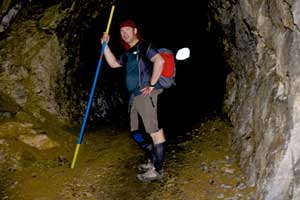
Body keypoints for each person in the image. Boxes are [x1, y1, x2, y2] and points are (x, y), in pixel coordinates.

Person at [101, 19, 166, 181]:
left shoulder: (144, 46)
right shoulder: (128, 53)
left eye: (127, 30)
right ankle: (152, 159)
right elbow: (114, 64)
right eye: (122, 32)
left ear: (135, 31)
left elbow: (160, 60)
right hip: (134, 97)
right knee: (135, 132)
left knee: (155, 132)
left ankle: (157, 170)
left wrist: (151, 84)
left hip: (145, 95)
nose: (124, 34)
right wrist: (105, 45)